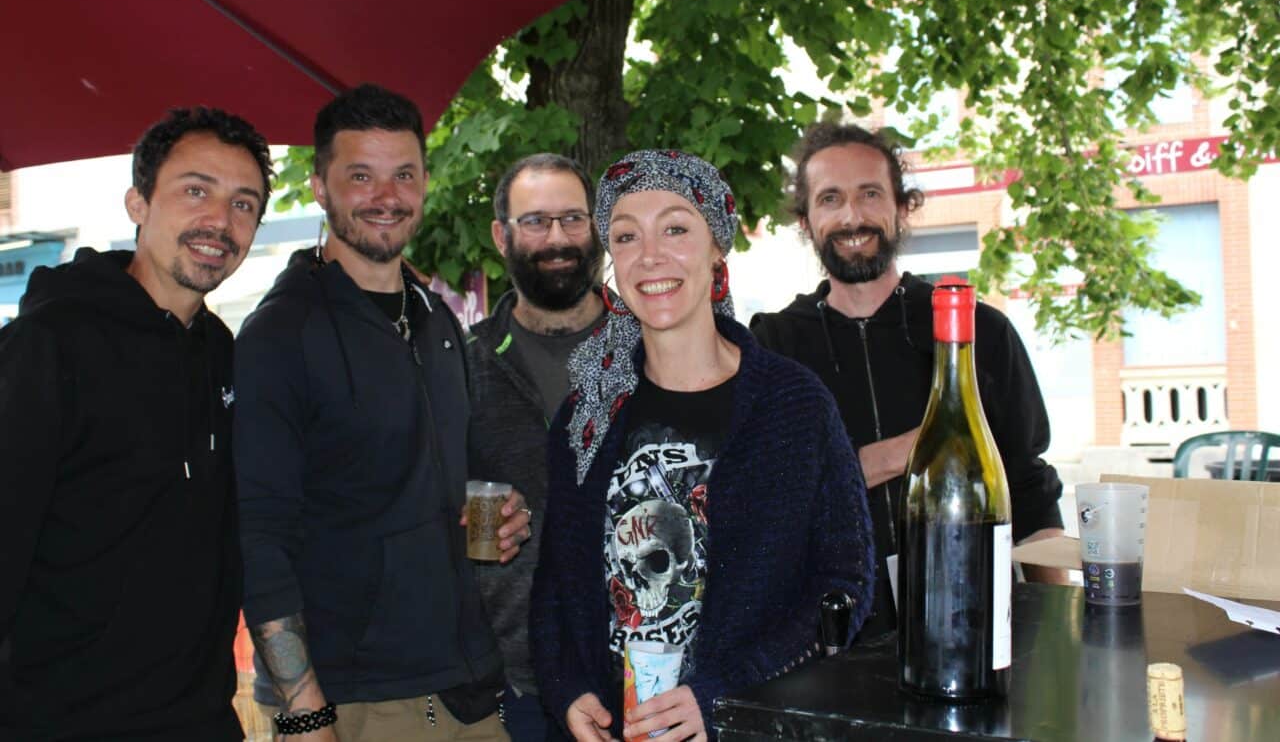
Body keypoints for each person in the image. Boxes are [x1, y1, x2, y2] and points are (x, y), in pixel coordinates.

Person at [530, 150, 875, 742]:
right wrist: (567, 690)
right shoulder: (586, 413)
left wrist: (723, 691)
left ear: (717, 246)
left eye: (676, 228)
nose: (650, 256)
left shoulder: (792, 405)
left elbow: (844, 585)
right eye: (627, 236)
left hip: (751, 727)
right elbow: (555, 586)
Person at [233, 84, 529, 742]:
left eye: (403, 174)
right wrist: (305, 711)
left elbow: (463, 471)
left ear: (425, 182)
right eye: (360, 176)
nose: (385, 196)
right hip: (355, 702)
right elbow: (259, 535)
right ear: (319, 186)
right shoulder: (280, 334)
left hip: (466, 688)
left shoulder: (436, 319)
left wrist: (496, 522)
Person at [0, 107, 272, 740]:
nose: (219, 222)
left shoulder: (224, 354)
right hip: (60, 723)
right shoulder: (50, 344)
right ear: (137, 202)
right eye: (195, 190)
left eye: (244, 204)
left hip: (201, 719)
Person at [750, 122, 1065, 639]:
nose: (853, 216)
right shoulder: (773, 348)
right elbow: (768, 498)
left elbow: (1030, 489)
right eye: (830, 199)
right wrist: (919, 447)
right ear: (806, 222)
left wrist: (1060, 627)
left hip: (972, 624)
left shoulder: (979, 331)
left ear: (902, 207)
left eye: (870, 194)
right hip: (824, 639)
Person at [467, 153, 606, 741]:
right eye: (535, 221)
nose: (557, 239)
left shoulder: (653, 352)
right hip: (515, 684)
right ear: (502, 236)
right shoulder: (464, 365)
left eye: (573, 219)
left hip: (645, 677)